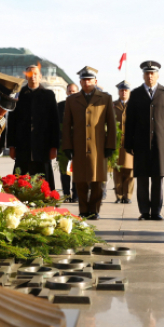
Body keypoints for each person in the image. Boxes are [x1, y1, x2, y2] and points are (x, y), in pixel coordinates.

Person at [125, 60, 164, 221]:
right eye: (147, 73)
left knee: (157, 179)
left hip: (160, 144)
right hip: (140, 144)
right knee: (141, 179)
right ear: (143, 75)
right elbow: (130, 122)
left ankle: (156, 211)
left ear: (157, 75)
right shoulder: (135, 94)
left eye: (152, 73)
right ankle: (144, 211)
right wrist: (128, 143)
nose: (150, 76)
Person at [62, 66, 116, 220]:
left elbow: (111, 124)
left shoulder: (105, 98)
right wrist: (67, 146)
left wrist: (110, 145)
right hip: (78, 146)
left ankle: (94, 210)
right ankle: (83, 210)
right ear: (80, 82)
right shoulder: (72, 99)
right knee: (80, 180)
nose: (87, 83)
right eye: (84, 80)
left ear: (95, 81)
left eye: (89, 80)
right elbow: (67, 125)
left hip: (98, 147)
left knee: (97, 180)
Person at [7, 64, 59, 188]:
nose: (33, 77)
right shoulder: (19, 96)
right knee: (20, 181)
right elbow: (12, 122)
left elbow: (55, 122)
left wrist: (54, 146)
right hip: (23, 146)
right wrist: (11, 146)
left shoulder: (48, 95)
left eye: (36, 74)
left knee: (44, 180)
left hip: (43, 146)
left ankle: (47, 202)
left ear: (40, 77)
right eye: (30, 74)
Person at [112, 80, 134, 204]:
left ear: (129, 92)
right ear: (118, 92)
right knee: (117, 171)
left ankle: (128, 195)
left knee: (130, 172)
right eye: (121, 90)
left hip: (130, 144)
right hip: (117, 145)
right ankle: (119, 195)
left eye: (126, 90)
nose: (123, 92)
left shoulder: (134, 105)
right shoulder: (113, 105)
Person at [57, 82, 79, 202]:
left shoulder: (82, 106)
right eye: (69, 91)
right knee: (64, 171)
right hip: (63, 145)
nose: (71, 93)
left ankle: (76, 195)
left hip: (77, 144)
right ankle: (66, 194)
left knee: (76, 171)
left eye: (73, 91)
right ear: (66, 92)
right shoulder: (60, 106)